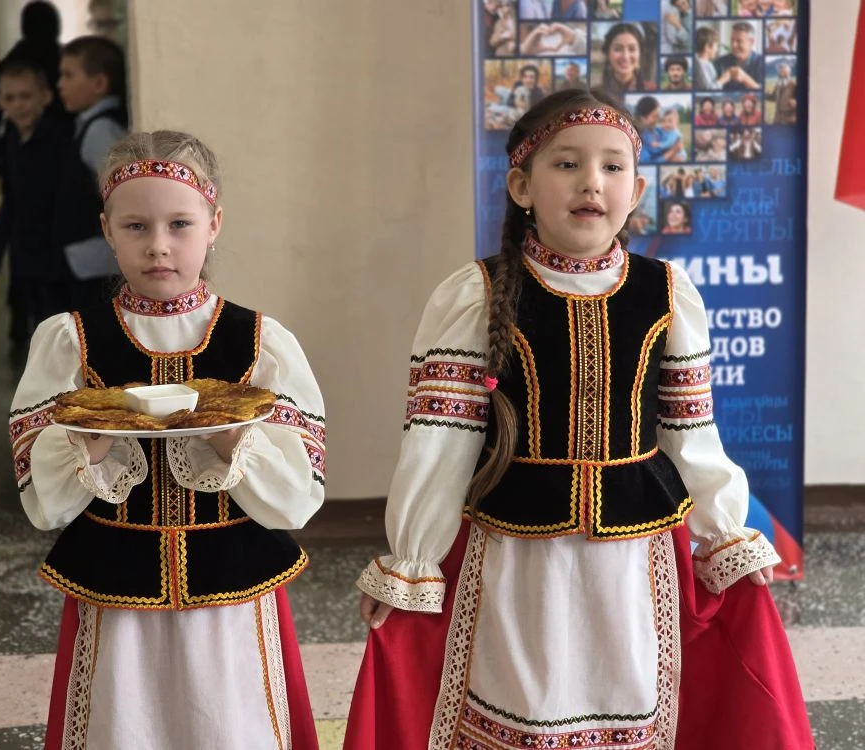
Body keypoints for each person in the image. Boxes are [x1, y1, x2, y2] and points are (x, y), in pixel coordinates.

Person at [342, 88, 813, 750]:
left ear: (636, 190)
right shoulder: (475, 294)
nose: (592, 181)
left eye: (613, 166)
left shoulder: (668, 293)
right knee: (524, 701)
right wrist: (412, 559)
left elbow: (690, 434)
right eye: (566, 164)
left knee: (629, 696)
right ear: (521, 187)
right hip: (517, 553)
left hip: (634, 556)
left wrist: (724, 535)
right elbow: (439, 439)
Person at [9, 130, 325, 748]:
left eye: (180, 224)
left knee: (229, 724)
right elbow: (43, 502)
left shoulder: (260, 342)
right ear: (107, 230)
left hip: (231, 595)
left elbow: (297, 496)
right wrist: (88, 446)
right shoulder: (70, 340)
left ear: (214, 224)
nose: (158, 245)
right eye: (136, 226)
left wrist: (237, 445)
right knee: (125, 723)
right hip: (116, 591)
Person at [0, 59, 71, 348]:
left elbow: (63, 199)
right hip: (24, 247)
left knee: (53, 317)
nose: (18, 105)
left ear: (46, 96)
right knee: (29, 312)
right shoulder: (11, 139)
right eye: (10, 98)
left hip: (51, 247)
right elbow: (12, 198)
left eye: (26, 96)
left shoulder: (58, 139)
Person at [54, 36, 129, 310]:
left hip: (96, 263)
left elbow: (122, 190)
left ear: (99, 83)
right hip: (87, 259)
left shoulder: (100, 130)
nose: (60, 84)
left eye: (68, 75)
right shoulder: (89, 124)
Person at [0, 1, 64, 179]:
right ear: (56, 27)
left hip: (19, 144)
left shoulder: (4, 68)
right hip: (63, 148)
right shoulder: (65, 63)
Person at [599, 23, 656, 95]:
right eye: (618, 49)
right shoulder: (594, 94)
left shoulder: (653, 90)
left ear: (640, 53)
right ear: (608, 53)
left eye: (632, 49)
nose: (625, 56)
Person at [714, 21, 763, 90]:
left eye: (739, 41)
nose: (733, 45)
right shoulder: (719, 63)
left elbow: (766, 94)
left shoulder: (762, 63)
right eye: (732, 40)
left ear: (751, 42)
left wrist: (746, 79)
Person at [694, 26, 730, 90]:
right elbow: (709, 89)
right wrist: (723, 79)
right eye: (716, 46)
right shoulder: (701, 66)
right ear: (707, 47)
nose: (717, 49)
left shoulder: (705, 63)